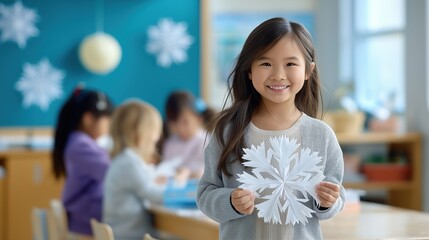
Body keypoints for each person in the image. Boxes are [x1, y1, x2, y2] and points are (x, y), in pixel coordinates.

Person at [197, 17, 345, 239]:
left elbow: (336, 195)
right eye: (265, 63)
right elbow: (206, 193)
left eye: (290, 64)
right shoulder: (228, 131)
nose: (278, 75)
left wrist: (327, 202)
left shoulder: (321, 135)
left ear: (308, 70)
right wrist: (230, 202)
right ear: (249, 70)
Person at [52, 87, 114, 239]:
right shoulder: (80, 144)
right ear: (88, 119)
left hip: (86, 222)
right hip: (85, 225)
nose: (109, 126)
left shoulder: (82, 143)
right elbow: (111, 172)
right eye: (107, 120)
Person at [103, 99, 165, 240]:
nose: (157, 137)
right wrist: (187, 192)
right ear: (139, 133)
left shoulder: (123, 159)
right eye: (154, 131)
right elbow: (152, 193)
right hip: (131, 235)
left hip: (121, 232)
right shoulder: (129, 162)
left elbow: (142, 184)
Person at [162, 91, 215, 179]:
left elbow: (206, 170)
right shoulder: (170, 143)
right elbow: (165, 168)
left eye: (185, 122)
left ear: (198, 119)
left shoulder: (204, 140)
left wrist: (188, 172)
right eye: (175, 123)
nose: (180, 129)